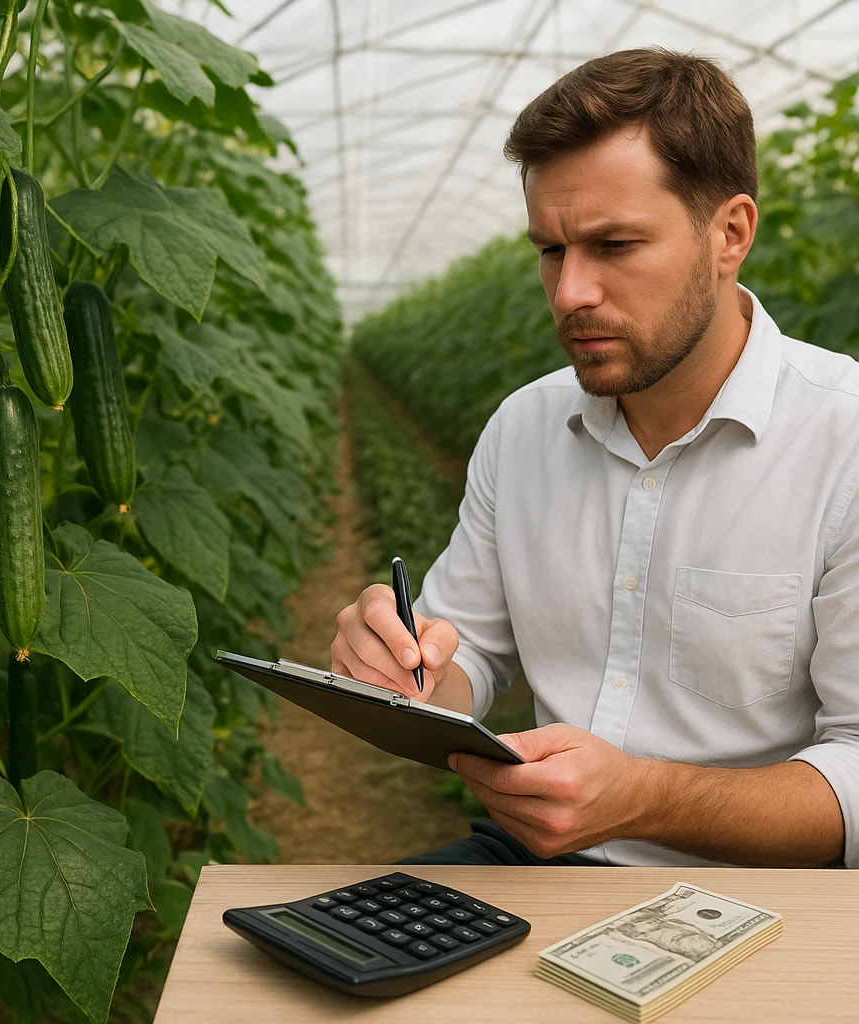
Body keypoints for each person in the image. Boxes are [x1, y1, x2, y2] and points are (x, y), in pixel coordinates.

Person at [331, 47, 857, 870]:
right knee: (318, 964)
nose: (572, 291)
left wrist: (645, 797)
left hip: (758, 895)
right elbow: (464, 652)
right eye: (551, 250)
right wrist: (406, 675)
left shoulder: (843, 441)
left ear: (731, 234)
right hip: (534, 860)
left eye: (614, 245)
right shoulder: (524, 429)